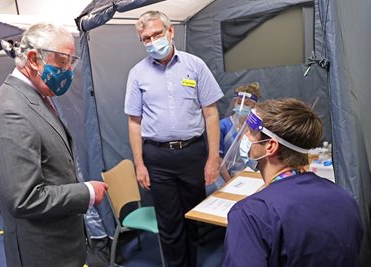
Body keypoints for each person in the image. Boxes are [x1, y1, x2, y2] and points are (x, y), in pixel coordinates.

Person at [0, 23, 108, 267]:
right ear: (33, 58)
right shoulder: (10, 112)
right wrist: (87, 192)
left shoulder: (36, 97)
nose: (69, 71)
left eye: (71, 63)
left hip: (61, 243)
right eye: (62, 62)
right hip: (43, 253)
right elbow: (25, 198)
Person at [124, 11, 224, 267]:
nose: (152, 41)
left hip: (193, 153)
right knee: (169, 226)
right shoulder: (137, 74)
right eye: (146, 38)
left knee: (193, 219)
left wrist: (213, 158)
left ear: (170, 32)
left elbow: (211, 113)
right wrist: (139, 164)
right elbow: (134, 122)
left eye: (157, 34)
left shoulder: (195, 65)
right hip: (157, 157)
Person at [223, 98, 364, 267]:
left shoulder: (251, 214)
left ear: (270, 146)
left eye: (251, 132)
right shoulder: (345, 199)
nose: (245, 136)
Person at [207, 82, 260, 195]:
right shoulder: (223, 125)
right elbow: (219, 158)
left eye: (246, 104)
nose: (242, 107)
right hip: (226, 175)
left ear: (254, 106)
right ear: (234, 103)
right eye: (239, 103)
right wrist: (229, 181)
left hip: (251, 175)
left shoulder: (256, 127)